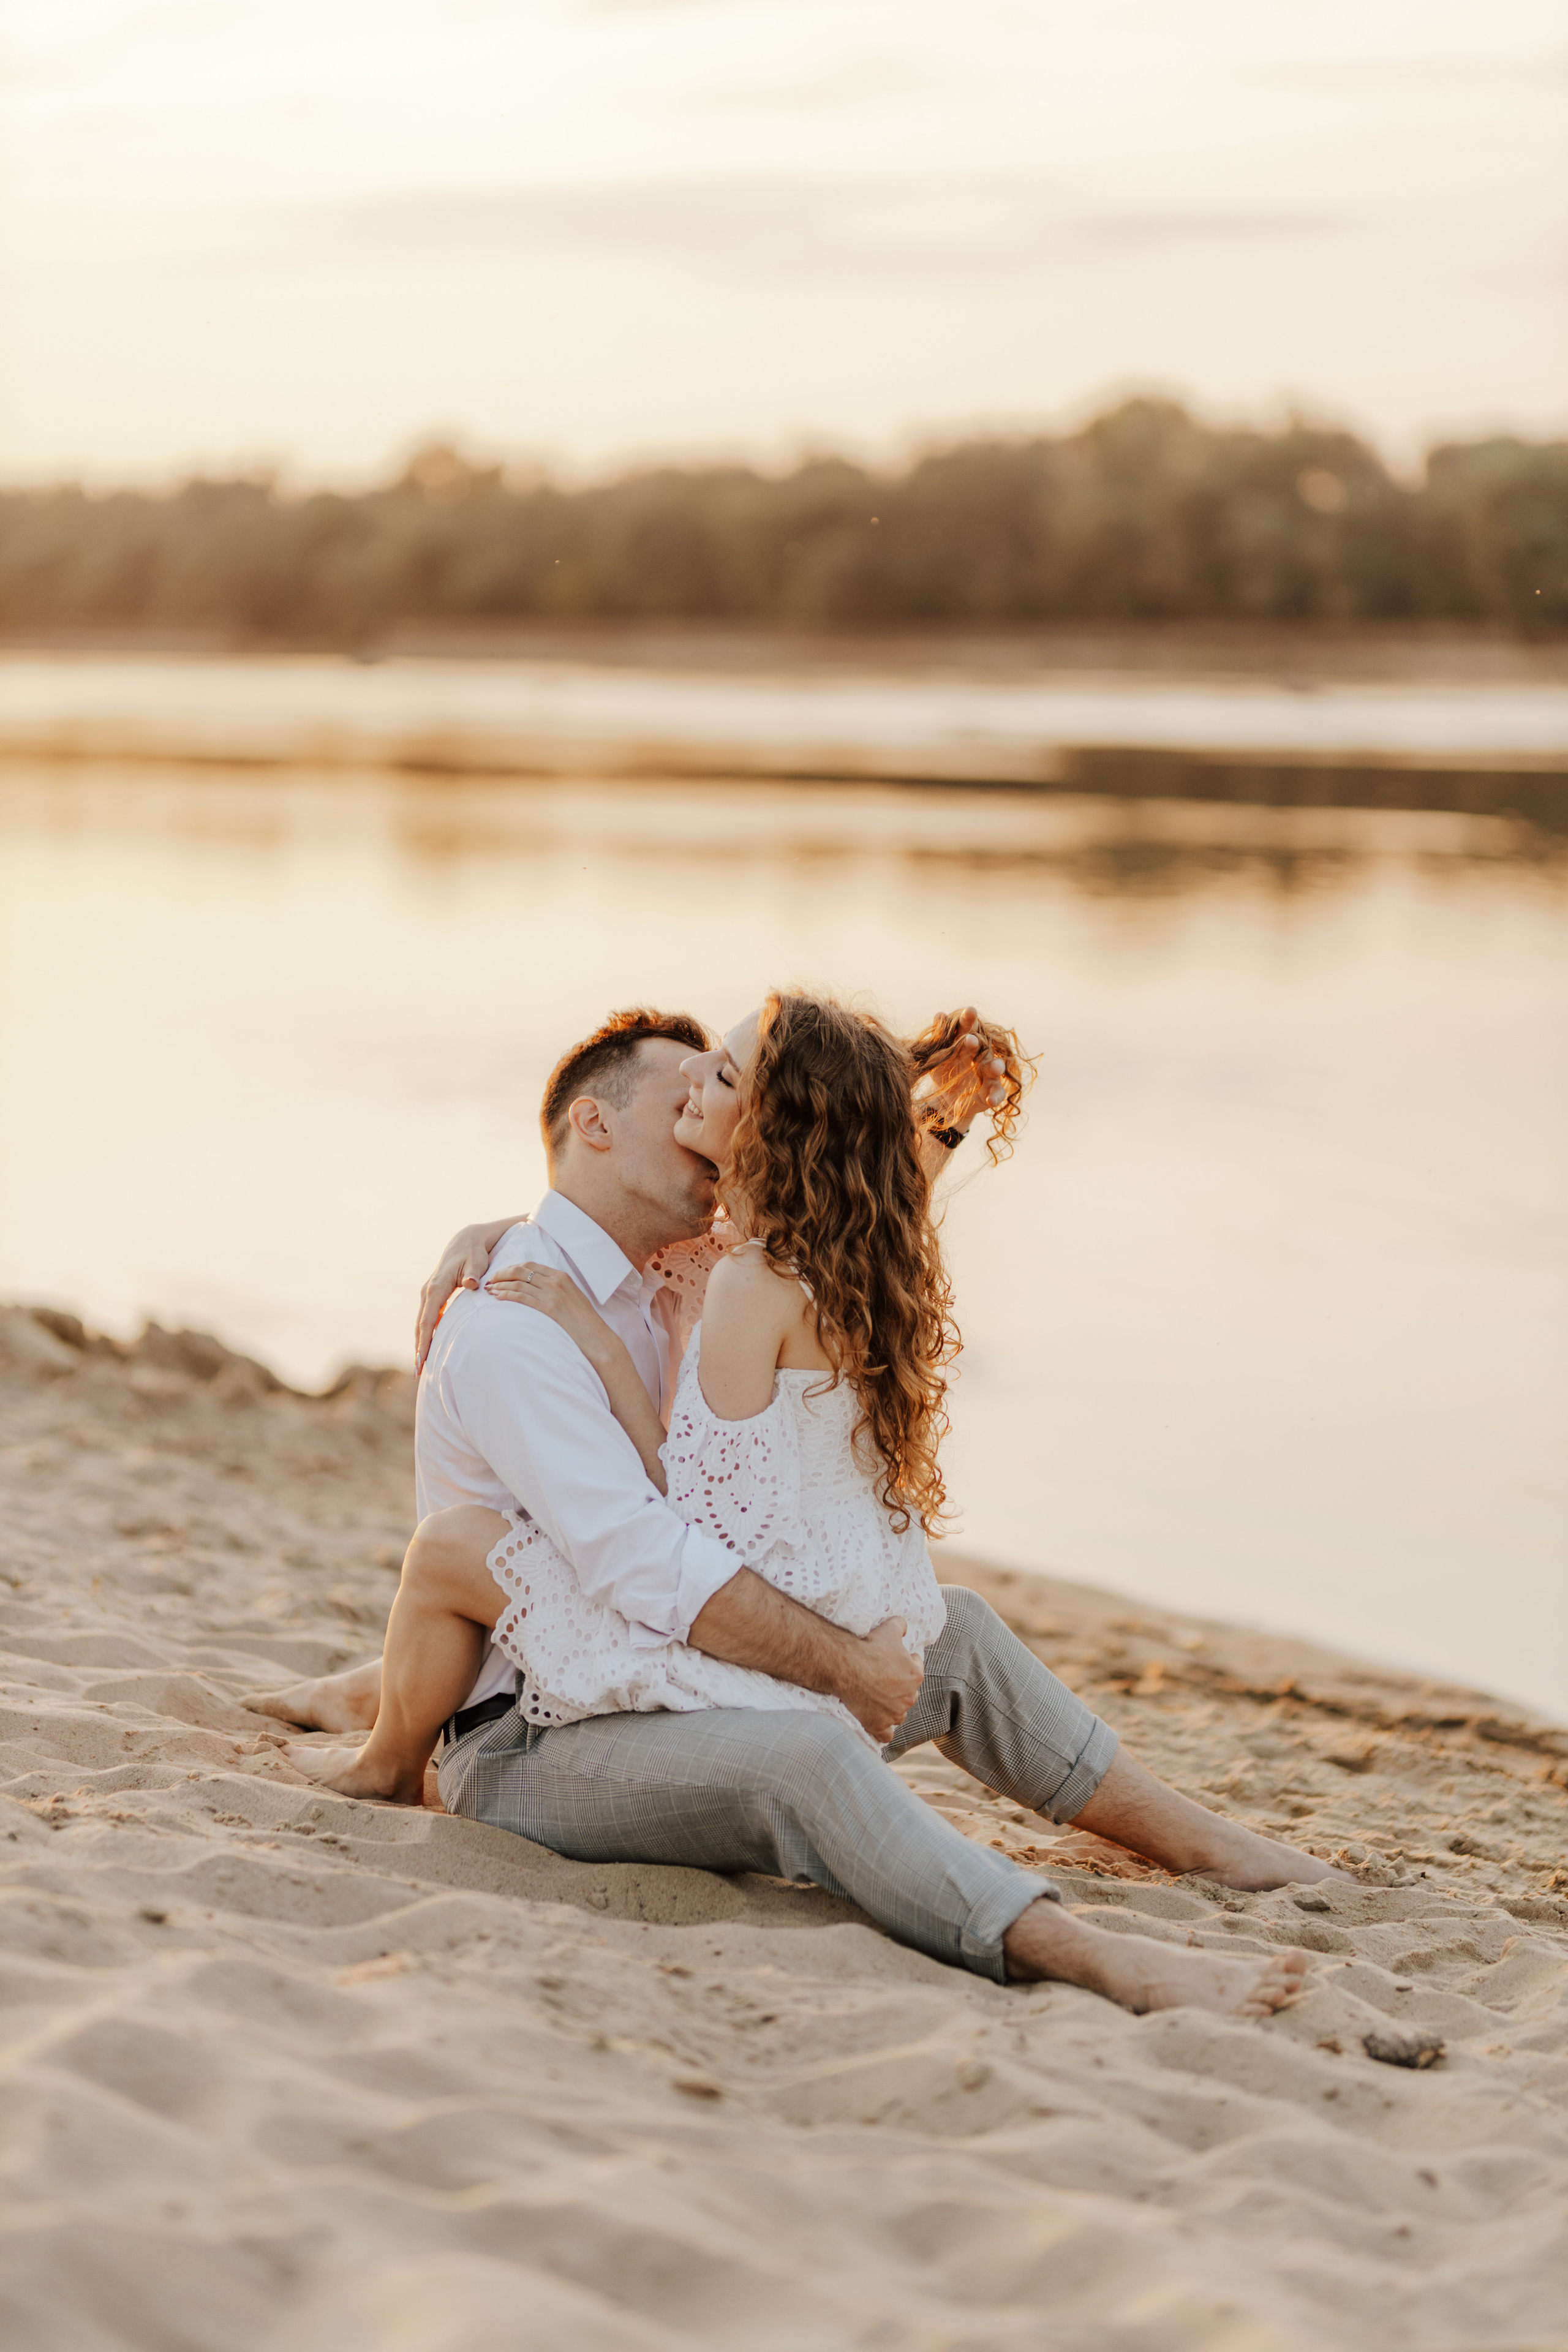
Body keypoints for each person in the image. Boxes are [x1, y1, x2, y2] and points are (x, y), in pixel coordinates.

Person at [253, 1000, 1322, 2016]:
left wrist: (933, 1110)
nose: (697, 1126)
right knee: (806, 1764)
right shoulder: (518, 1324)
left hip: (646, 1672)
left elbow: (849, 1212)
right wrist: (841, 1666)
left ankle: (1207, 1844)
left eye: (713, 1103)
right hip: (531, 1742)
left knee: (955, 1633)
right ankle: (1091, 1956)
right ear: (594, 1126)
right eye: (680, 1111)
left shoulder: (677, 1266)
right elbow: (641, 1555)